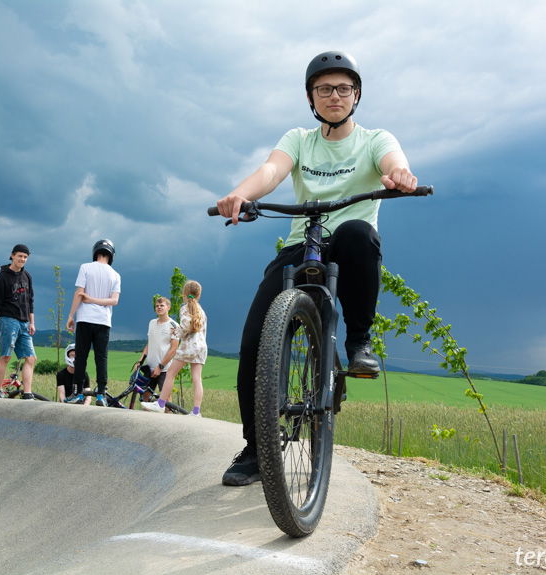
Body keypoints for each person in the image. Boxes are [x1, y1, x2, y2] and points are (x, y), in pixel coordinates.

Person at [215, 51, 418, 486]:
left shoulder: (374, 138)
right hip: (300, 245)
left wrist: (399, 175)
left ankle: (359, 342)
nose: (334, 96)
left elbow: (392, 161)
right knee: (253, 342)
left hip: (347, 246)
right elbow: (272, 170)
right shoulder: (299, 140)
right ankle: (256, 449)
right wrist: (239, 195)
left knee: (360, 232)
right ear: (311, 96)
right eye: (324, 89)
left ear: (356, 94)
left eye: (344, 88)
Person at [65, 239, 121, 407]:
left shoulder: (85, 267)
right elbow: (114, 301)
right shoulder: (115, 274)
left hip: (84, 318)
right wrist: (97, 301)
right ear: (111, 255)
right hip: (104, 321)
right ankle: (101, 394)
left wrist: (70, 315)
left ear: (95, 252)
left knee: (81, 356)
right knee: (101, 357)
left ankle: (77, 393)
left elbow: (79, 293)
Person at [141, 280, 207, 417]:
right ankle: (196, 411)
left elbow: (185, 327)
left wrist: (176, 333)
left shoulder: (185, 307)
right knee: (197, 379)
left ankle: (160, 404)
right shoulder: (201, 310)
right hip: (201, 347)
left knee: (170, 373)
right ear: (198, 294)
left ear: (184, 293)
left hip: (189, 346)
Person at [0, 243, 38, 400]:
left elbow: (30, 301)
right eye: (20, 256)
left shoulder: (27, 276)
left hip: (24, 323)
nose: (22, 259)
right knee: (6, 356)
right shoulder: (2, 278)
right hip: (8, 320)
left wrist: (32, 322)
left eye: (25, 257)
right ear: (12, 256)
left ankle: (27, 393)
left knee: (30, 358)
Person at [135, 297, 180, 395]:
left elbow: (173, 349)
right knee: (145, 396)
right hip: (150, 367)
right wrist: (140, 361)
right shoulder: (152, 323)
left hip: (164, 368)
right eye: (157, 306)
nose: (159, 307)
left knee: (166, 398)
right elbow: (149, 344)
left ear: (168, 307)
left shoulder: (174, 326)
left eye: (162, 306)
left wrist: (160, 367)